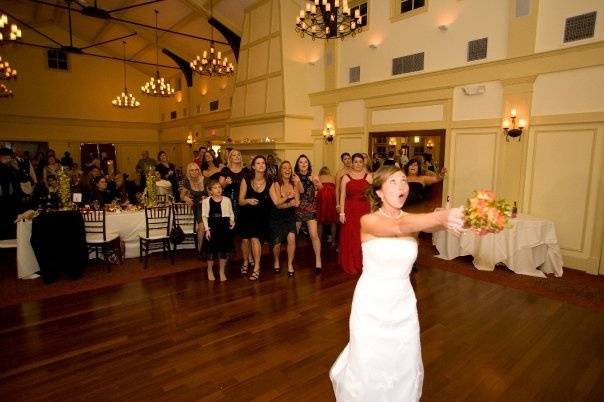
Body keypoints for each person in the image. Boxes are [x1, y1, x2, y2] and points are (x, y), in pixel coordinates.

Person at [330, 165, 464, 401]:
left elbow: (429, 224)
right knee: (371, 359)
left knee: (401, 359)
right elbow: (398, 227)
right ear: (379, 192)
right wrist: (439, 216)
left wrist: (470, 218)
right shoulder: (368, 221)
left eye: (404, 181)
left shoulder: (412, 220)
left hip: (403, 303)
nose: (401, 185)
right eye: (393, 181)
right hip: (372, 303)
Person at [238, 155, 272, 281]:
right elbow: (240, 201)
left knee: (255, 239)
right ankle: (246, 261)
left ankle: (257, 267)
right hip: (247, 214)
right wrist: (248, 200)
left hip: (261, 216)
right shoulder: (246, 179)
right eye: (258, 163)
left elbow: (275, 199)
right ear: (253, 166)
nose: (261, 165)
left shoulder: (270, 181)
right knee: (245, 241)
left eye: (263, 163)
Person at [338, 153, 372, 275]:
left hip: (365, 210)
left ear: (363, 163)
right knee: (351, 236)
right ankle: (350, 263)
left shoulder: (369, 177)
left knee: (363, 237)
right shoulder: (346, 177)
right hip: (350, 210)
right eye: (355, 161)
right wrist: (342, 213)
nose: (358, 164)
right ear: (352, 163)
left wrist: (373, 212)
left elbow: (372, 197)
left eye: (360, 161)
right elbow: (342, 196)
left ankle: (363, 264)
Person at [269, 161, 300, 277]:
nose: (287, 170)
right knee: (276, 244)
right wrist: (288, 199)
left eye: (289, 168)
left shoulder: (293, 184)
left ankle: (290, 264)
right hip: (277, 217)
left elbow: (296, 202)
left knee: (291, 238)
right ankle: (276, 260)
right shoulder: (275, 184)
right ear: (280, 171)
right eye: (284, 168)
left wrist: (294, 202)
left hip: (290, 216)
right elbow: (277, 203)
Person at [202, 179, 235, 282]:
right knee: (211, 251)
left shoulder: (227, 200)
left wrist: (232, 222)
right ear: (210, 191)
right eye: (215, 188)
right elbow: (204, 216)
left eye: (219, 187)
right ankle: (210, 270)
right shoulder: (206, 201)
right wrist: (207, 229)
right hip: (212, 227)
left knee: (223, 251)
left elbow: (231, 213)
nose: (218, 189)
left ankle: (222, 271)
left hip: (224, 227)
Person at [294, 154, 323, 273]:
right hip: (297, 209)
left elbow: (321, 189)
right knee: (293, 236)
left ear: (308, 164)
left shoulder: (313, 176)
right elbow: (299, 191)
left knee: (314, 235)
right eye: (301, 162)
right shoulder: (294, 177)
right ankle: (292, 260)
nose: (303, 164)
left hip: (311, 209)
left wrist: (317, 182)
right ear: (298, 165)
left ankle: (318, 260)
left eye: (305, 162)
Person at [221, 149, 250, 269]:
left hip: (243, 204)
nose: (237, 156)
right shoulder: (225, 170)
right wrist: (226, 183)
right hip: (229, 205)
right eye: (234, 155)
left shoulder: (246, 171)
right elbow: (220, 186)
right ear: (230, 158)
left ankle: (246, 260)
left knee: (245, 235)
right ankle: (228, 257)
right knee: (228, 233)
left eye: (239, 154)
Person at [180, 162, 206, 251]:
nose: (194, 172)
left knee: (201, 226)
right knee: (201, 226)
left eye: (196, 170)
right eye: (192, 170)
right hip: (196, 206)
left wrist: (206, 198)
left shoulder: (205, 180)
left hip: (207, 205)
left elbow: (214, 193)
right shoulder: (187, 182)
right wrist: (186, 198)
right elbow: (181, 196)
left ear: (199, 171)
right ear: (189, 172)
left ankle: (201, 248)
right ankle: (200, 249)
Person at [316, 166, 338, 246]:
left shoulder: (318, 177)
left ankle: (319, 242)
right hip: (332, 200)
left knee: (320, 222)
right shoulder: (333, 177)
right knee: (333, 222)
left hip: (321, 200)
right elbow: (337, 189)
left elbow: (315, 190)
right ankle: (333, 241)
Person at [0, 148, 19, 239]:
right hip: (2, 197)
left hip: (11, 198)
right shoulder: (4, 167)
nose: (9, 160)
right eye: (8, 158)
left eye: (10, 158)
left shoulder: (10, 167)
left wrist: (16, 168)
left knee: (10, 218)